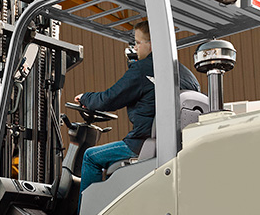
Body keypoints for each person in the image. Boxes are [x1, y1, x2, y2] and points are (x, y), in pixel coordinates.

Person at [74, 21, 200, 193]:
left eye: (138, 43)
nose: (135, 47)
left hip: (141, 145)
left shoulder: (143, 69)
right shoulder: (188, 76)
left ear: (152, 44)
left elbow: (109, 99)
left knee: (90, 157)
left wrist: (85, 98)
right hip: (176, 147)